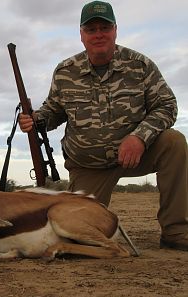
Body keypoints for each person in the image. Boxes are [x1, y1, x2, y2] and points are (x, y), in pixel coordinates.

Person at [18, 1, 188, 251]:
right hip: (88, 165)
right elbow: (54, 111)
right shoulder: (65, 71)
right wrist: (36, 119)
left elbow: (167, 105)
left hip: (134, 155)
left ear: (115, 30)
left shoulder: (140, 65)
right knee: (74, 232)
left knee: (174, 142)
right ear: (81, 35)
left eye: (104, 28)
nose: (98, 34)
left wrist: (140, 137)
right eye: (91, 29)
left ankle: (176, 232)